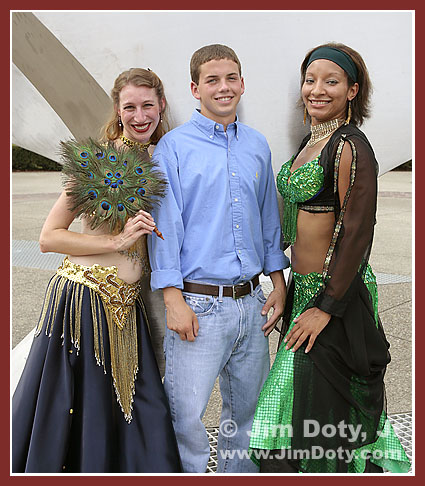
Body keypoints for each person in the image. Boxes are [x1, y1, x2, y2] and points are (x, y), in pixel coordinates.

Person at [249, 43, 411, 474]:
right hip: (304, 293)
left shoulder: (350, 147)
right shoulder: (312, 140)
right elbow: (292, 225)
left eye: (331, 81)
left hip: (334, 300)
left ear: (353, 90)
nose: (317, 90)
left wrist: (325, 308)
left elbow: (357, 234)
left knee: (323, 418)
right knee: (290, 415)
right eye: (310, 79)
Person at [12, 68, 182, 473]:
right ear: (118, 111)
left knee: (136, 406)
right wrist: (115, 241)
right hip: (84, 301)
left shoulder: (169, 156)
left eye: (147, 106)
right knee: (81, 407)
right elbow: (49, 237)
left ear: (162, 105)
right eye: (130, 107)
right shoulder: (98, 160)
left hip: (129, 307)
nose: (139, 116)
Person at [147, 44, 289, 473]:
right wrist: (173, 299)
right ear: (195, 88)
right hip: (198, 306)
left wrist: (277, 283)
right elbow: (164, 228)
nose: (223, 87)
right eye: (212, 80)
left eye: (231, 78)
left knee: (246, 420)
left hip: (252, 303)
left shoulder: (257, 145)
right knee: (185, 418)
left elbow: (268, 220)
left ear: (242, 83)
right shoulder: (172, 148)